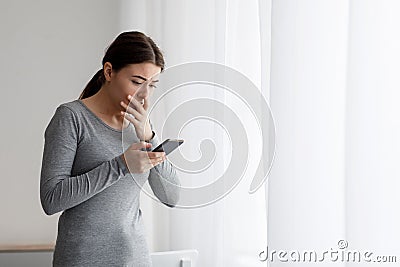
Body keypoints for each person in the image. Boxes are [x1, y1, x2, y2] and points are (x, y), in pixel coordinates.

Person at [40, 31, 180, 267]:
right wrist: (121, 165)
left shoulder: (141, 126)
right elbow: (51, 199)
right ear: (109, 72)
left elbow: (171, 197)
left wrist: (149, 136)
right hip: (82, 260)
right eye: (137, 82)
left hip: (135, 259)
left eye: (152, 85)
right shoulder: (72, 118)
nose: (144, 96)